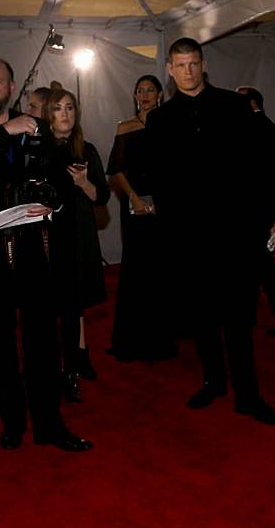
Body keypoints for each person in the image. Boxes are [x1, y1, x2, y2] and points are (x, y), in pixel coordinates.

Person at [146, 38, 275, 425]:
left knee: (240, 315)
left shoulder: (234, 106)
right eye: (180, 65)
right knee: (202, 314)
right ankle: (213, 381)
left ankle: (248, 394)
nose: (188, 71)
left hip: (236, 231)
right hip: (189, 237)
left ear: (203, 65)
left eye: (194, 64)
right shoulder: (159, 121)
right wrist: (168, 234)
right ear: (170, 69)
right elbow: (160, 182)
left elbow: (263, 164)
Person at [0, 56, 93, 452]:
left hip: (34, 249)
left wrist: (53, 205)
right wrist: (4, 133)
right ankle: (12, 422)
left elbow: (60, 183)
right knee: (0, 345)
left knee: (43, 342)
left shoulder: (37, 129)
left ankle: (48, 423)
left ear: (11, 87)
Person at [43, 89, 110, 401]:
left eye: (70, 108)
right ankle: (62, 367)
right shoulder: (39, 149)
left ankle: (72, 368)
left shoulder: (87, 149)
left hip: (78, 233)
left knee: (73, 305)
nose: (65, 114)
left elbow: (103, 196)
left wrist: (84, 183)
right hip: (46, 235)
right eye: (58, 108)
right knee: (54, 307)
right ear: (49, 114)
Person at [106, 75, 176, 362]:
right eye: (140, 90)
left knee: (163, 271)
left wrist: (165, 199)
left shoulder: (171, 125)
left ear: (160, 94)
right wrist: (133, 197)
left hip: (165, 208)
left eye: (150, 89)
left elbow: (179, 167)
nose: (144, 94)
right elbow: (116, 171)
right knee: (135, 269)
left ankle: (164, 340)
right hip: (133, 205)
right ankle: (130, 340)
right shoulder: (126, 127)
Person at [235, 86, 275, 336]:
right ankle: (259, 315)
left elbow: (274, 176)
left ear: (251, 103)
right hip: (260, 209)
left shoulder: (255, 128)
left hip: (255, 210)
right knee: (255, 265)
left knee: (261, 265)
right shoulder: (268, 127)